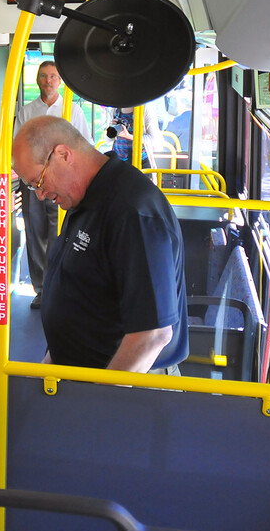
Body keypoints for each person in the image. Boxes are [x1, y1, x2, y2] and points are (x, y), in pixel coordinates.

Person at [11, 115, 189, 374]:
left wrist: (102, 399)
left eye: (38, 181)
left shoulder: (132, 211)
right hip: (83, 377)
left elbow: (153, 335)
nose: (40, 194)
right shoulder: (85, 196)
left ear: (62, 154)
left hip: (127, 387)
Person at [14, 61, 92, 309]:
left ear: (60, 81)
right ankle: (41, 289)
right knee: (35, 235)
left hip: (65, 187)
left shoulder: (73, 110)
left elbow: (87, 147)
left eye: (53, 77)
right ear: (37, 80)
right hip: (34, 187)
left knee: (65, 236)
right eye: (44, 76)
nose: (48, 81)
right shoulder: (26, 112)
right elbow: (16, 150)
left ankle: (62, 287)